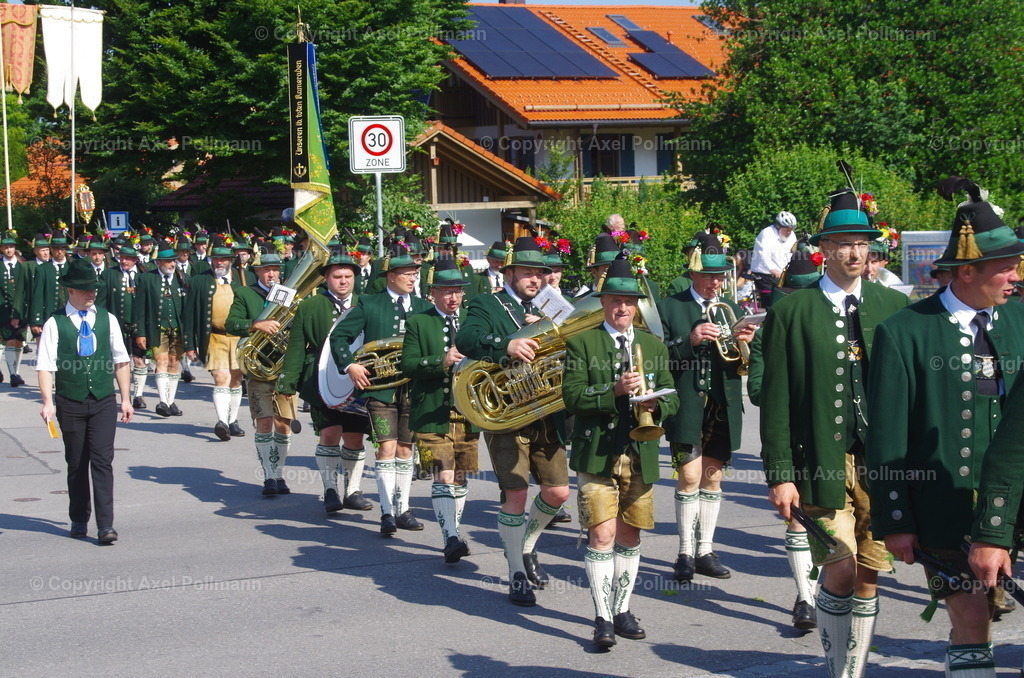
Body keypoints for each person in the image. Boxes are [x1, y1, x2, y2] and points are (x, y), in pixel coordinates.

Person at [866, 177, 1024, 676]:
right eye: (1006, 266)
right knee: (972, 617)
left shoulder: (1021, 320)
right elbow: (887, 437)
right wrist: (896, 521)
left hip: (1019, 505)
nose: (1016, 274)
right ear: (970, 270)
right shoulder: (904, 331)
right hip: (942, 508)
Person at [760, 183, 909, 678]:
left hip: (881, 463)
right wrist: (780, 474)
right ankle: (836, 670)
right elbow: (776, 399)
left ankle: (853, 669)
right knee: (840, 567)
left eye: (863, 244)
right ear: (823, 250)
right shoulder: (791, 311)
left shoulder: (893, 306)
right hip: (820, 459)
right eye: (844, 244)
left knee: (870, 572)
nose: (855, 252)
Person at [563, 257, 678, 647]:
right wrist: (612, 392)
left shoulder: (652, 345)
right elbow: (573, 397)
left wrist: (655, 404)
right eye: (615, 300)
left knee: (630, 535)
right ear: (604, 302)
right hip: (597, 452)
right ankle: (602, 616)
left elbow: (673, 398)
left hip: (640, 452)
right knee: (601, 535)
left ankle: (623, 608)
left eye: (629, 301)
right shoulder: (581, 342)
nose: (623, 308)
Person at [455, 236, 571, 606]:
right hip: (506, 412)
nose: (535, 280)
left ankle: (526, 545)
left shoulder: (552, 306)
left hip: (547, 411)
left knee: (557, 493)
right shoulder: (487, 302)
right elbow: (467, 338)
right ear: (509, 273)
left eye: (540, 274)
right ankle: (515, 574)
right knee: (517, 494)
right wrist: (506, 343)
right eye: (527, 273)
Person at [659, 232, 754, 582]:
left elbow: (743, 363)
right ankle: (684, 551)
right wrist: (690, 339)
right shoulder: (671, 306)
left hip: (723, 402)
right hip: (686, 404)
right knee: (688, 477)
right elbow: (658, 355)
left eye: (720, 276)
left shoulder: (735, 309)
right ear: (694, 274)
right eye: (709, 275)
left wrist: (747, 343)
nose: (716, 282)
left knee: (712, 479)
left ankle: (705, 550)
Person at [745, 243, 823, 631]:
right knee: (799, 519)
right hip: (795, 438)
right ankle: (806, 599)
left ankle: (831, 593)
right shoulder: (769, 333)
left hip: (837, 437)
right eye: (797, 294)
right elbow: (759, 390)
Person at [329, 244, 431, 533]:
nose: (412, 278)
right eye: (406, 273)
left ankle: (404, 509)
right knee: (386, 447)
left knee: (405, 448)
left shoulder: (424, 307)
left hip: (413, 388)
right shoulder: (369, 304)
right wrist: (350, 365)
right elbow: (339, 336)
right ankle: (387, 512)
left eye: (415, 273)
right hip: (380, 389)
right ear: (390, 276)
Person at [36, 258, 133, 543]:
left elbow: (121, 361)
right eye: (85, 289)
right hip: (71, 400)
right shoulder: (55, 323)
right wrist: (47, 401)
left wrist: (125, 399)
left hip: (103, 399)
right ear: (70, 290)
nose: (92, 293)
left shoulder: (107, 319)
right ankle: (79, 517)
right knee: (77, 462)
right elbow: (45, 365)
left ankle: (106, 525)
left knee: (103, 461)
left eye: (94, 288)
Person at [277, 250, 372, 513]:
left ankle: (352, 490)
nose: (343, 281)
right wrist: (287, 384)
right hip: (321, 382)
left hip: (359, 382)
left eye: (348, 276)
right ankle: (330, 490)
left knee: (354, 437)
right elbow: (297, 348)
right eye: (337, 276)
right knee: (330, 434)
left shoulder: (366, 303)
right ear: (325, 279)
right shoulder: (309, 307)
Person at [401, 258, 478, 562]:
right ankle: (450, 537)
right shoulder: (419, 322)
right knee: (442, 474)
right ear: (432, 293)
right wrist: (439, 361)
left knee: (460, 476)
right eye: (446, 291)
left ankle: (454, 530)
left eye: (457, 291)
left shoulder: (473, 321)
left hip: (468, 413)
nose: (453, 297)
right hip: (430, 413)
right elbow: (407, 365)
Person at [226, 247, 298, 494]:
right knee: (264, 421)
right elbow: (231, 323)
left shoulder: (288, 294)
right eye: (266, 270)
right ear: (257, 271)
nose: (271, 274)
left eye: (275, 270)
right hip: (259, 369)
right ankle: (268, 476)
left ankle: (279, 474)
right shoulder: (245, 293)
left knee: (284, 423)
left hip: (285, 367)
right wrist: (256, 324)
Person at [183, 237, 245, 438]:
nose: (219, 262)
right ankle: (222, 422)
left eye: (223, 259)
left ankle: (233, 420)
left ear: (231, 260)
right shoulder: (199, 281)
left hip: (239, 338)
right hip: (214, 338)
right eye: (216, 258)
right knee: (221, 377)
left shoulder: (244, 278)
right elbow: (189, 314)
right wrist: (189, 344)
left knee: (236, 379)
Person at [133, 243, 188, 417]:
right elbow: (139, 308)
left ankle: (171, 401)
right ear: (158, 263)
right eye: (167, 261)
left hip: (178, 328)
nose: (172, 264)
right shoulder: (146, 279)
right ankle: (163, 401)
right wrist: (140, 332)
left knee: (174, 363)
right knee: (161, 361)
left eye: (173, 260)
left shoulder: (183, 278)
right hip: (158, 328)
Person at [96, 244, 149, 409]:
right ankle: (113, 393)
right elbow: (101, 302)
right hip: (117, 325)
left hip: (139, 325)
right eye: (122, 257)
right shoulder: (109, 274)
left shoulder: (144, 275)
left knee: (140, 360)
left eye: (128, 258)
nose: (124, 261)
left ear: (135, 259)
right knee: (118, 360)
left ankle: (138, 395)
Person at [750, 211, 798, 308]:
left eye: (791, 229)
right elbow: (763, 256)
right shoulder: (766, 234)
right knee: (772, 303)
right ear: (778, 226)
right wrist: (775, 271)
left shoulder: (791, 235)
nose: (789, 232)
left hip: (781, 274)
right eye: (786, 229)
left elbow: (791, 254)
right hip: (765, 274)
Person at [29, 230, 71, 338]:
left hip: (71, 316)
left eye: (62, 248)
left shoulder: (72, 267)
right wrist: (37, 320)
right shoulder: (42, 269)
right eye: (56, 249)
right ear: (51, 249)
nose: (59, 252)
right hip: (50, 315)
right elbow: (38, 295)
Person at [0, 230, 29, 386]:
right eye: (6, 247)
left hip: (21, 311)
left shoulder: (22, 266)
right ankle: (12, 374)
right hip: (3, 311)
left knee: (19, 342)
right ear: (1, 249)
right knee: (9, 341)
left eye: (11, 247)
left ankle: (16, 372)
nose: (9, 250)